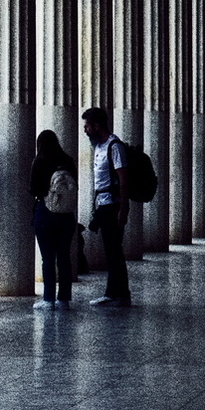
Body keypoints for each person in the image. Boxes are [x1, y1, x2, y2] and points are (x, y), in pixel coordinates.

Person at [82, 107, 131, 306]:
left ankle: (119, 293)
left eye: (87, 126)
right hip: (103, 204)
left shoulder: (114, 146)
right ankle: (115, 292)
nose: (85, 130)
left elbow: (123, 178)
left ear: (97, 126)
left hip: (112, 205)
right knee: (111, 250)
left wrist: (123, 209)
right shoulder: (99, 146)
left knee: (114, 250)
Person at [29, 130, 78, 310]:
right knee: (64, 257)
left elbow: (33, 189)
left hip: (45, 213)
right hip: (66, 216)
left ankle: (48, 299)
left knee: (47, 258)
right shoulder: (68, 161)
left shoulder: (39, 161)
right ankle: (63, 299)